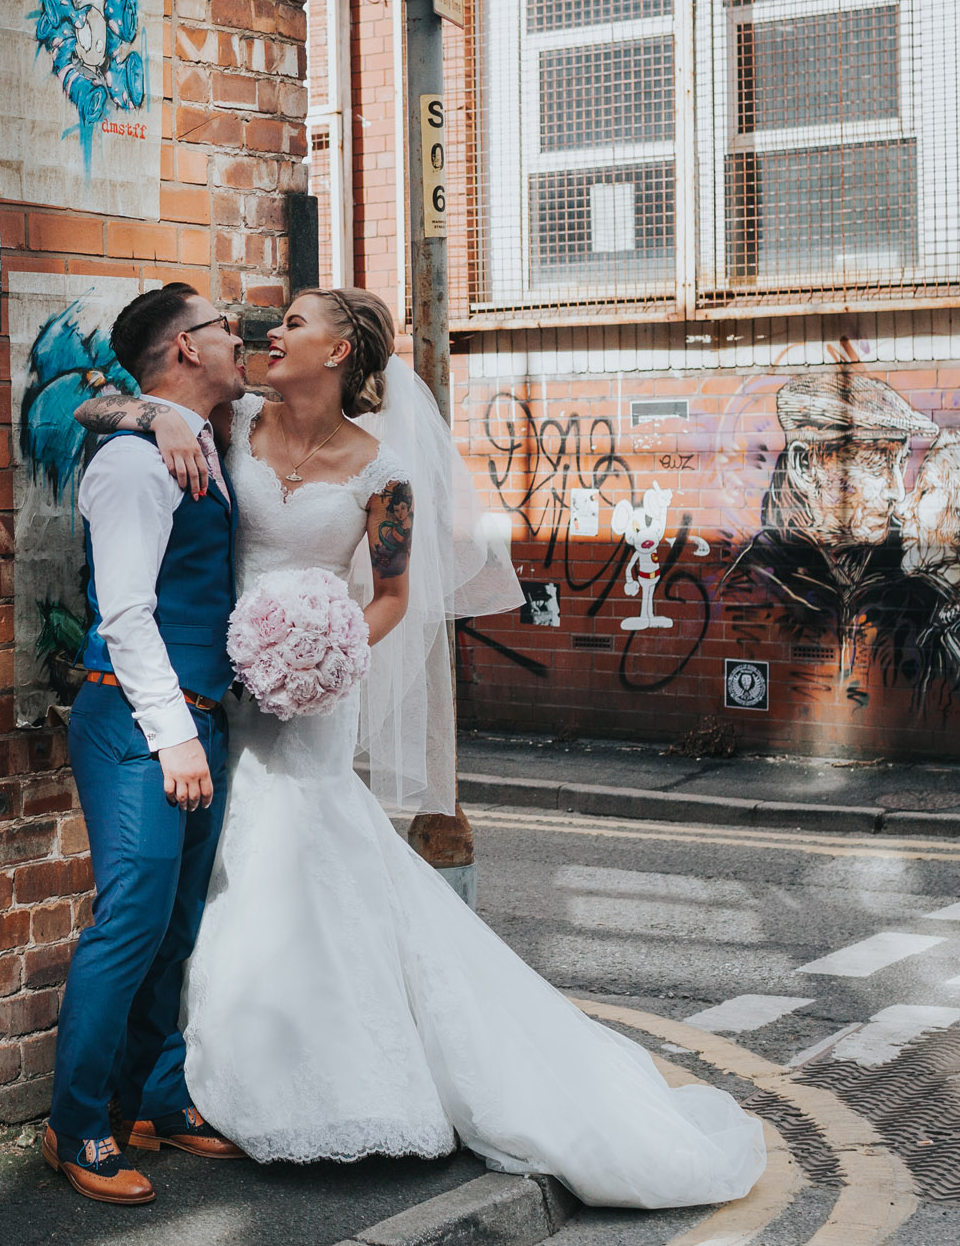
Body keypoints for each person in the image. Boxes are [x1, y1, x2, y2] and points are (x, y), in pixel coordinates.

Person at [72, 288, 766, 1210]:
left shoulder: (384, 473)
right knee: (208, 890)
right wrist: (153, 412)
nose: (267, 333)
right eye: (258, 326)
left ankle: (282, 1079)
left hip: (312, 692)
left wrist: (326, 656)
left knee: (282, 869)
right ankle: (166, 1089)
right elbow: (110, 400)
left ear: (343, 352)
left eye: (293, 323)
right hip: (212, 697)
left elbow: (395, 594)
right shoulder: (230, 420)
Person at [44, 283, 250, 1205]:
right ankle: (77, 1126)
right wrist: (174, 737)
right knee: (129, 926)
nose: (242, 337)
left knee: (176, 928)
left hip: (192, 714)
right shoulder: (133, 463)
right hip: (137, 720)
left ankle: (151, 1101)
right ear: (182, 349)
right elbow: (125, 615)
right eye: (226, 328)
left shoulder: (197, 434)